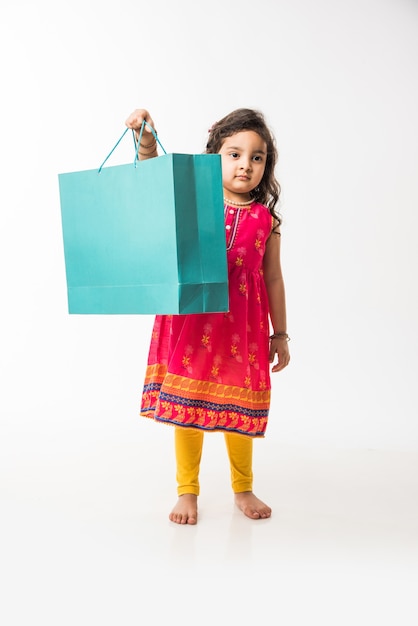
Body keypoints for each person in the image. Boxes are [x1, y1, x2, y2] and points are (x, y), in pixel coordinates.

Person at [125, 107, 290, 525]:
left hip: (243, 326)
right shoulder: (197, 202)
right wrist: (146, 138)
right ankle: (187, 491)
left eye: (257, 157)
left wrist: (281, 334)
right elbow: (153, 181)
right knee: (189, 404)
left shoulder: (265, 219)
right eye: (234, 154)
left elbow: (273, 277)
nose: (245, 165)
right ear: (214, 153)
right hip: (195, 321)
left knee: (240, 408)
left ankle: (243, 486)